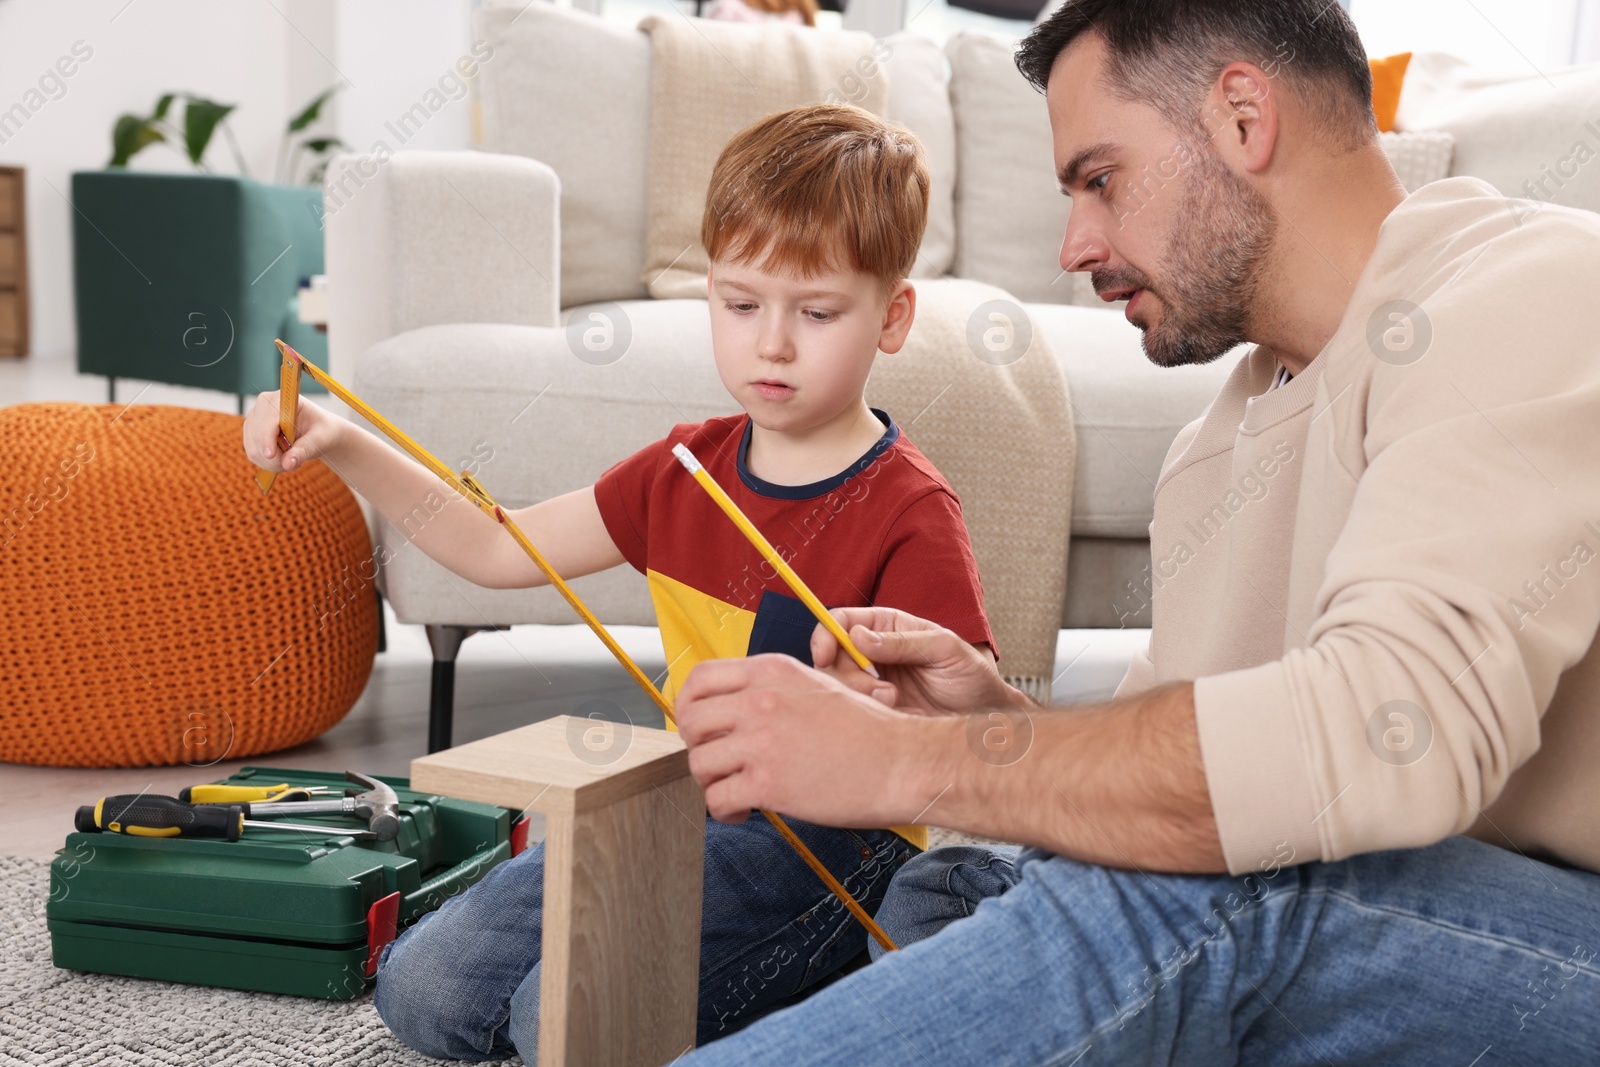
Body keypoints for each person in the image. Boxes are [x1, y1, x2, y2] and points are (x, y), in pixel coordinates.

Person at [666, 1, 1600, 1063]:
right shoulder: (1218, 443)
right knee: (979, 886)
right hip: (1403, 924)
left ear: (1243, 118)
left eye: (1099, 179)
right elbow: (1195, 771)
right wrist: (1001, 716)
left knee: (1221, 893)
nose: (1075, 246)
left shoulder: (1529, 286)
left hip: (1565, 937)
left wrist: (915, 759)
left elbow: (1378, 740)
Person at [242, 104, 999, 1061]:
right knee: (423, 991)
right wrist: (343, 442)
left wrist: (879, 713)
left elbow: (968, 740)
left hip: (839, 838)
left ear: (891, 316)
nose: (771, 344)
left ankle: (853, 960)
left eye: (815, 312)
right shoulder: (684, 469)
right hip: (688, 796)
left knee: (563, 1018)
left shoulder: (912, 511)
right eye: (739, 303)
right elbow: (494, 548)